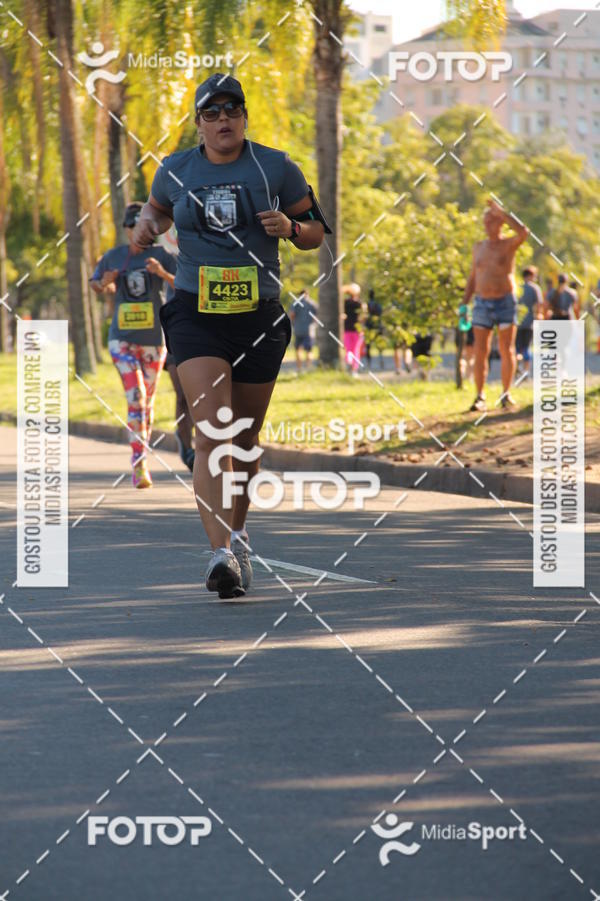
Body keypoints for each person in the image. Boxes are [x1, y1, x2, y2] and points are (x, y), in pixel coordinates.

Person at [131, 74, 327, 598]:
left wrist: (290, 228)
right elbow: (156, 207)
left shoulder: (276, 166)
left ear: (244, 117)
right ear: (198, 123)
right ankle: (220, 556)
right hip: (194, 312)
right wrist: (145, 224)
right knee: (211, 434)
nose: (223, 121)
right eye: (212, 113)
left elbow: (317, 232)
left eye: (232, 111)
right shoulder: (175, 169)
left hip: (258, 317)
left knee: (242, 440)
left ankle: (238, 535)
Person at [90, 202, 177, 487]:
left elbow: (185, 283)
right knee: (136, 396)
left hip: (154, 341)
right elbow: (96, 285)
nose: (141, 232)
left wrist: (162, 274)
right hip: (122, 340)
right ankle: (138, 464)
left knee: (147, 404)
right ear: (128, 229)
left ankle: (142, 457)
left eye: (147, 228)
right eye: (135, 227)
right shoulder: (114, 256)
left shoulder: (162, 254)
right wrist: (106, 281)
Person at [463, 199, 529, 412]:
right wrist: (464, 305)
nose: (487, 226)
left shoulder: (509, 244)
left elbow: (524, 232)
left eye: (491, 221)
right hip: (482, 303)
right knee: (480, 350)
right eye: (485, 222)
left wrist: (503, 212)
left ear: (500, 223)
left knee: (505, 348)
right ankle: (480, 396)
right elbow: (474, 277)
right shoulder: (478, 247)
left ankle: (506, 393)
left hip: (505, 302)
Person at [515, 266, 543, 375]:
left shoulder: (518, 287)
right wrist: (539, 315)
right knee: (526, 347)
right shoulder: (535, 288)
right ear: (530, 276)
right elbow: (539, 304)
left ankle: (517, 363)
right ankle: (526, 372)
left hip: (517, 321)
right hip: (529, 323)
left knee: (517, 347)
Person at [289, 289, 318, 373]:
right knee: (309, 350)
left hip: (298, 329)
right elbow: (317, 316)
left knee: (298, 349)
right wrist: (313, 324)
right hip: (309, 330)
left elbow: (292, 315)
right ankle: (308, 368)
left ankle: (299, 369)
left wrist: (294, 323)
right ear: (308, 294)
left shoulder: (295, 303)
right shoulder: (312, 303)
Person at [343, 283, 365, 376]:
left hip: (347, 328)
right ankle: (354, 369)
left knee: (348, 348)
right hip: (357, 329)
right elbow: (363, 317)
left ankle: (349, 361)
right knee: (356, 349)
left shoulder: (345, 303)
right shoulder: (360, 303)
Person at [365, 288, 384, 371]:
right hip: (377, 326)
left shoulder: (367, 304)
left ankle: (369, 363)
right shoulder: (378, 304)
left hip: (369, 326)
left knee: (368, 346)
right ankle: (381, 359)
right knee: (379, 345)